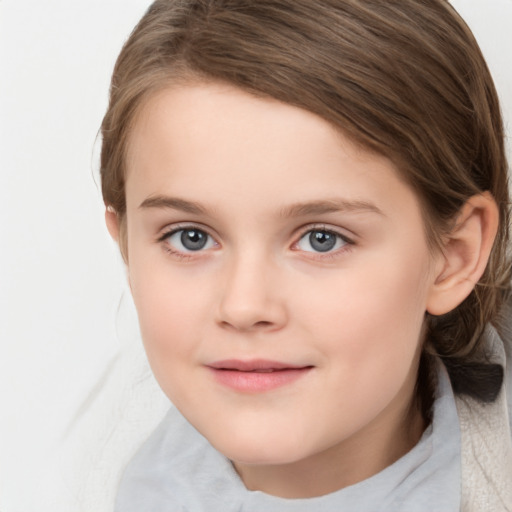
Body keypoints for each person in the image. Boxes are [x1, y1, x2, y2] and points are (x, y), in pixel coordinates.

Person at [100, 0, 512, 510]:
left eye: (322, 238)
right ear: (126, 248)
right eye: (191, 237)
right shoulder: (104, 477)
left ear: (453, 256)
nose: (244, 306)